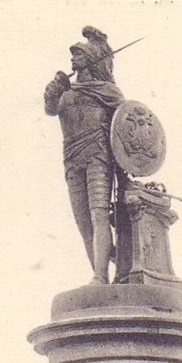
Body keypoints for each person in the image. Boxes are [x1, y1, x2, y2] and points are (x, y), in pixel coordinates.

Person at [44, 27, 125, 284]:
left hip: (97, 157)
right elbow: (50, 109)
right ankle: (98, 272)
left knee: (98, 214)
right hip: (71, 159)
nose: (72, 59)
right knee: (83, 223)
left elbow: (124, 123)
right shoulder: (67, 91)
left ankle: (100, 276)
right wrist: (53, 90)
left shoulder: (107, 91)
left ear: (91, 58)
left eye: (78, 54)